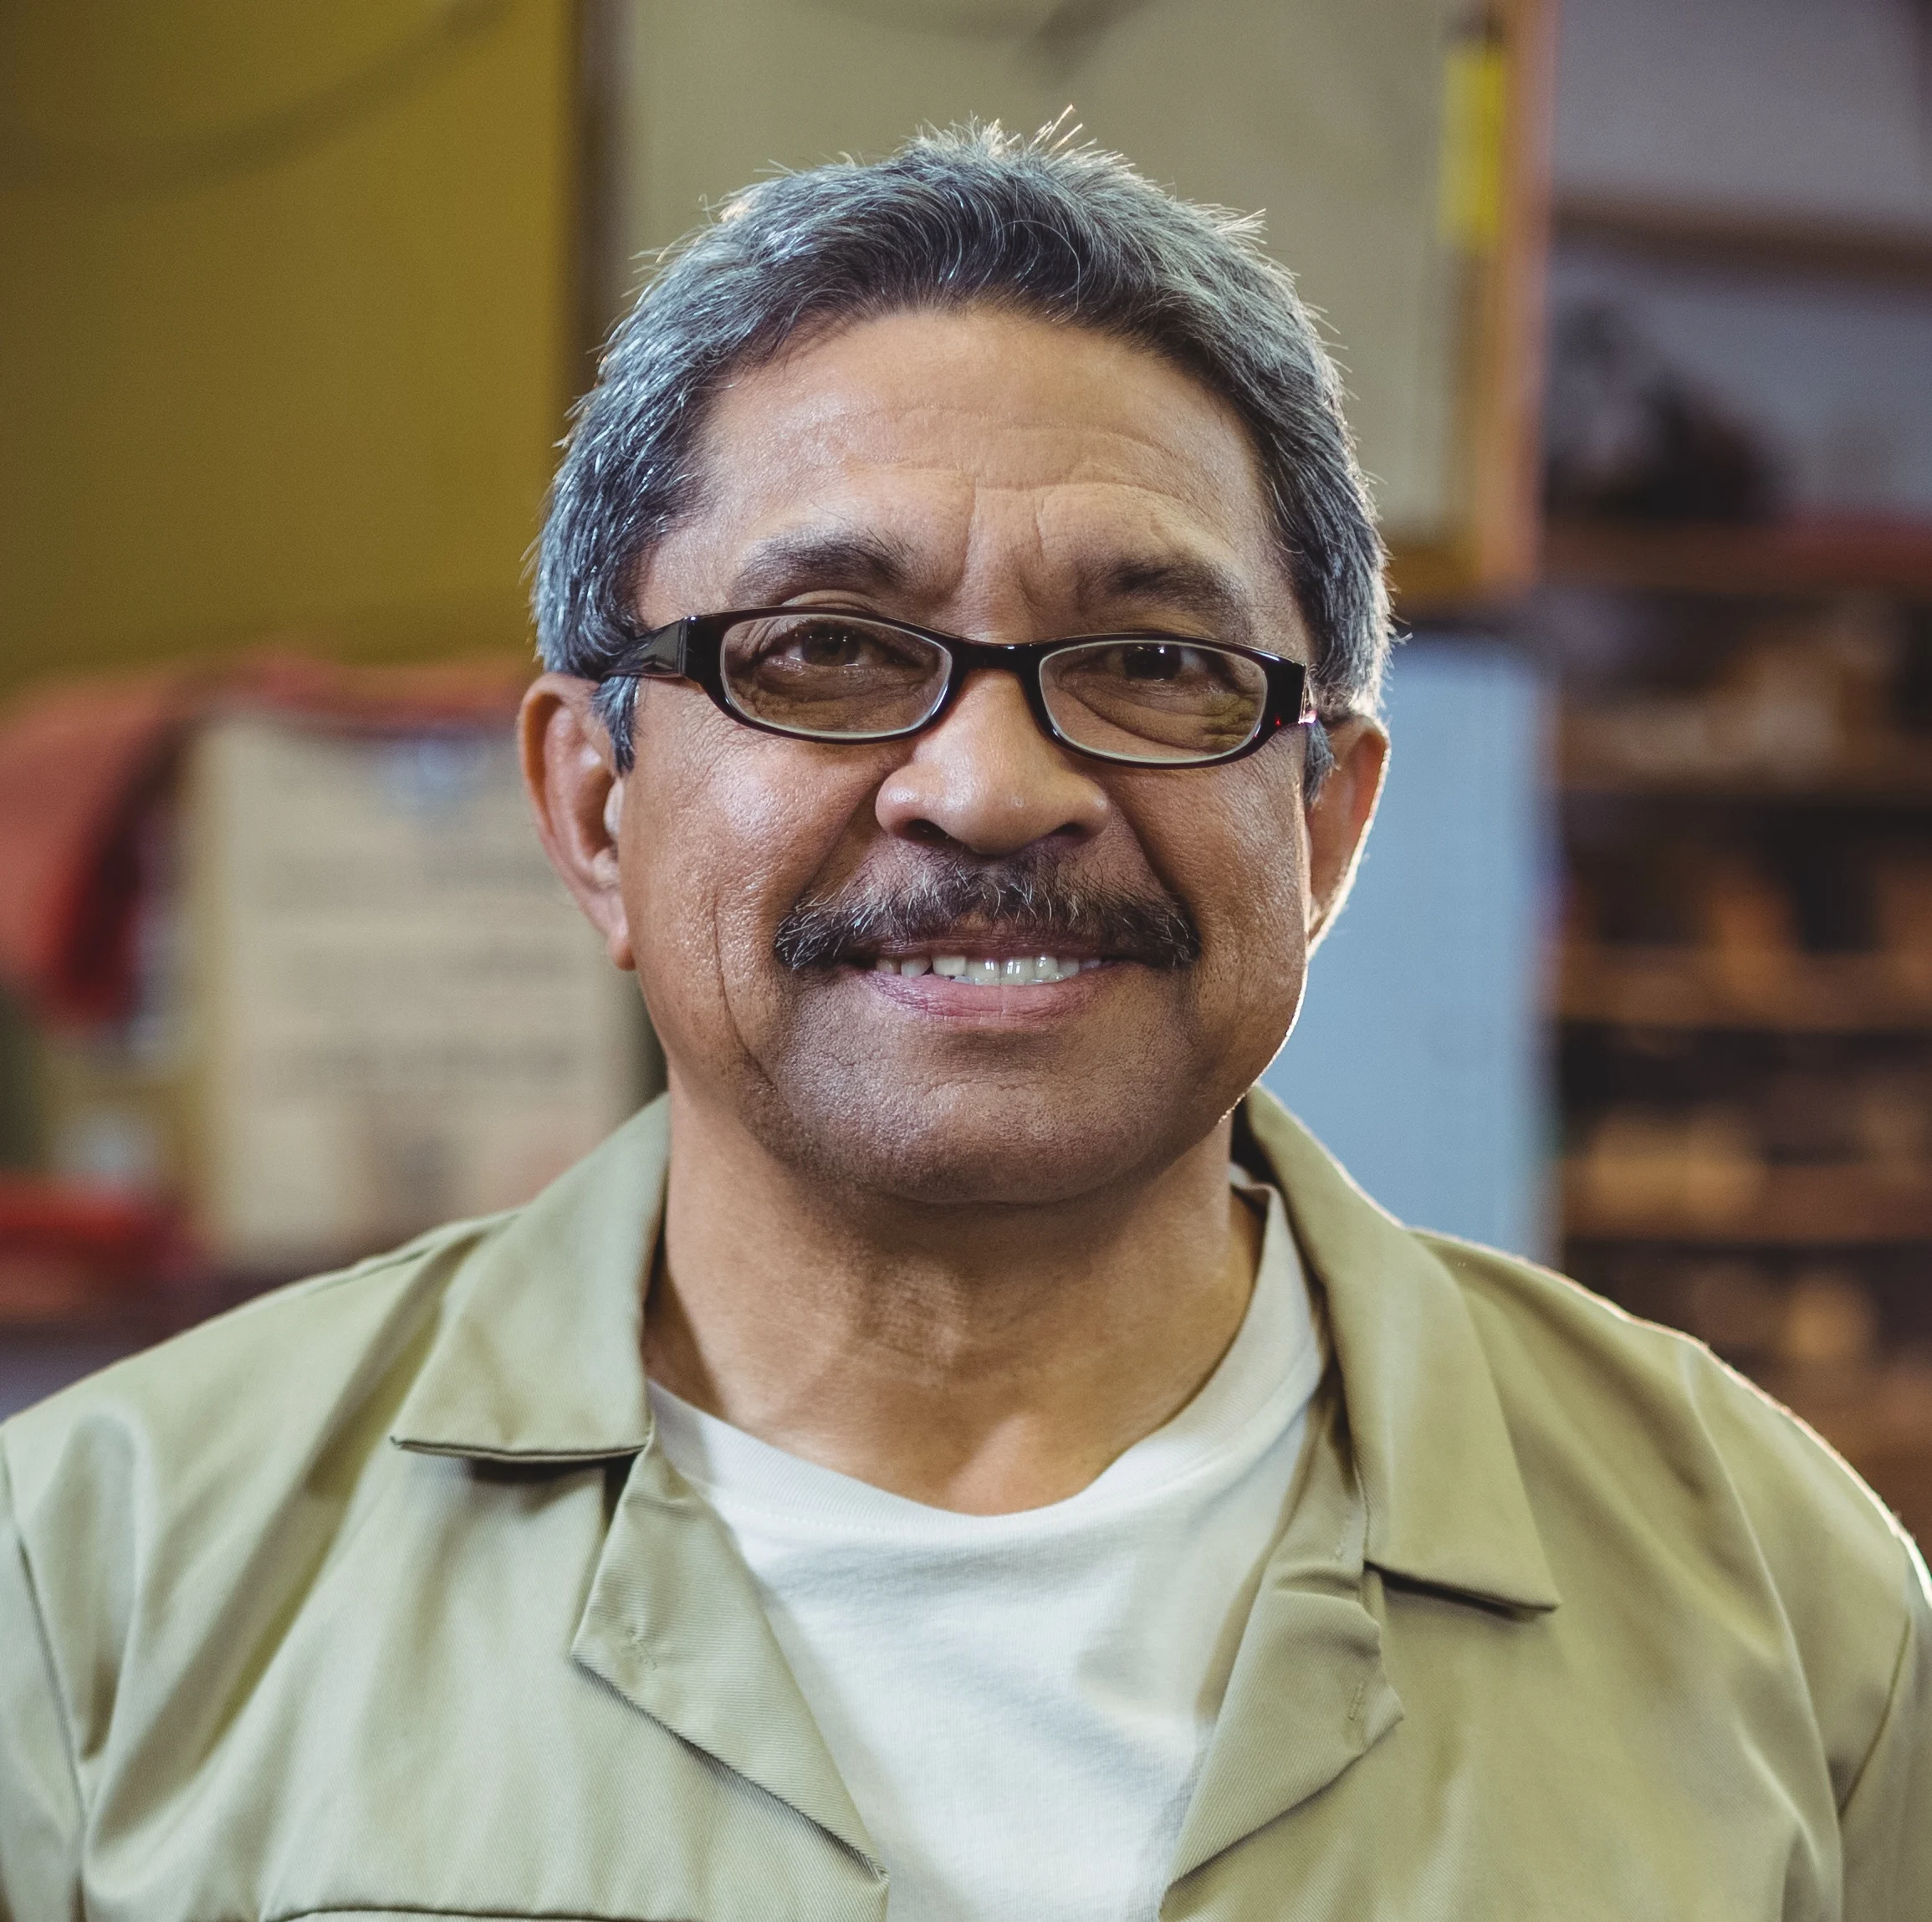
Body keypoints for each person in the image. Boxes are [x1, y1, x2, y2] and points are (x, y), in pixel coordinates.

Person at [2, 125, 1925, 1922]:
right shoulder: (99, 1587)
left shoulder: (1774, 1596)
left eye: (1156, 663)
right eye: (828, 649)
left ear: (1325, 822)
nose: (991, 788)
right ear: (597, 806)